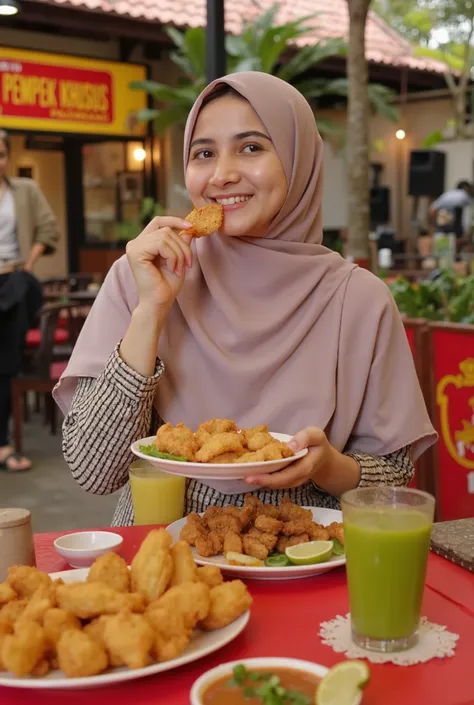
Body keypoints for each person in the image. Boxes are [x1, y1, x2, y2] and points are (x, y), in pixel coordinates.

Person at [53, 72, 437, 526]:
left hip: (303, 554)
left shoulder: (358, 299)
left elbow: (392, 484)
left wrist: (327, 465)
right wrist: (151, 311)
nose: (222, 174)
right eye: (204, 153)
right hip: (163, 556)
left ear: (298, 162)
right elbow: (95, 471)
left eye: (251, 147)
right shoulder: (143, 275)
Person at [0, 128, 59, 472]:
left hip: (12, 280)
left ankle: (3, 444)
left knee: (5, 363)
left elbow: (48, 229)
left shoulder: (25, 191)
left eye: (2, 153)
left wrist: (30, 261)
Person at [430, 180, 473, 257]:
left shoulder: (447, 194)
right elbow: (469, 214)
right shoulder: (464, 196)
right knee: (458, 243)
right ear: (467, 189)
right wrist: (467, 231)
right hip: (453, 221)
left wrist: (433, 225)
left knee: (443, 251)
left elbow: (432, 209)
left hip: (442, 221)